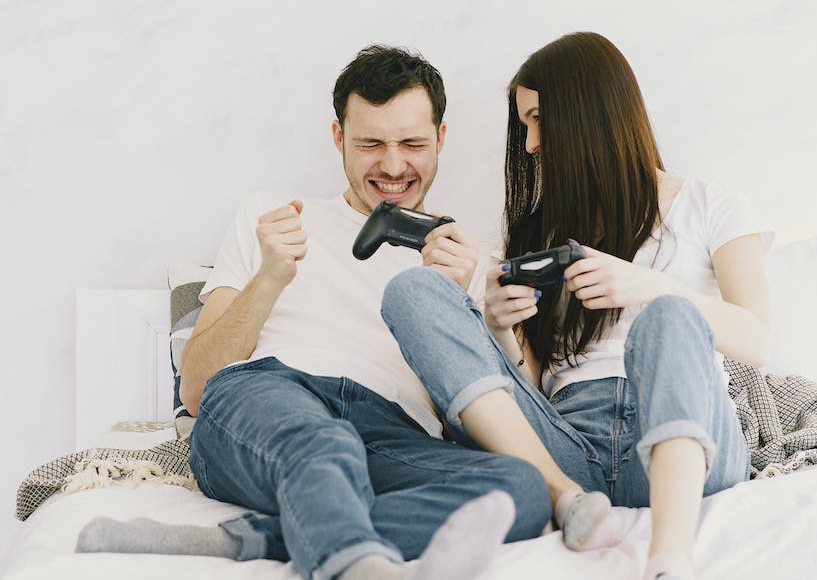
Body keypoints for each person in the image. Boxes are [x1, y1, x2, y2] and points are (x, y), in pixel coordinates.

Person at [74, 45, 554, 580]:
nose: (393, 166)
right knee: (326, 442)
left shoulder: (472, 259)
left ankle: (254, 540)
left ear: (441, 139)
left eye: (413, 144)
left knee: (522, 490)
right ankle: (355, 567)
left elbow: (491, 424)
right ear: (337, 139)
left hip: (392, 432)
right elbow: (196, 386)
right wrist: (269, 278)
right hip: (270, 398)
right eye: (371, 143)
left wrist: (457, 311)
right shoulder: (271, 219)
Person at [381, 32, 772, 580]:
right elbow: (537, 383)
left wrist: (642, 284)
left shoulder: (712, 206)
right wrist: (500, 328)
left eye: (538, 118)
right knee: (414, 291)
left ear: (587, 112)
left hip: (683, 451)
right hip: (569, 453)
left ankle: (670, 557)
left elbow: (757, 339)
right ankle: (563, 498)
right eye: (525, 126)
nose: (532, 143)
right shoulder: (537, 230)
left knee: (668, 316)